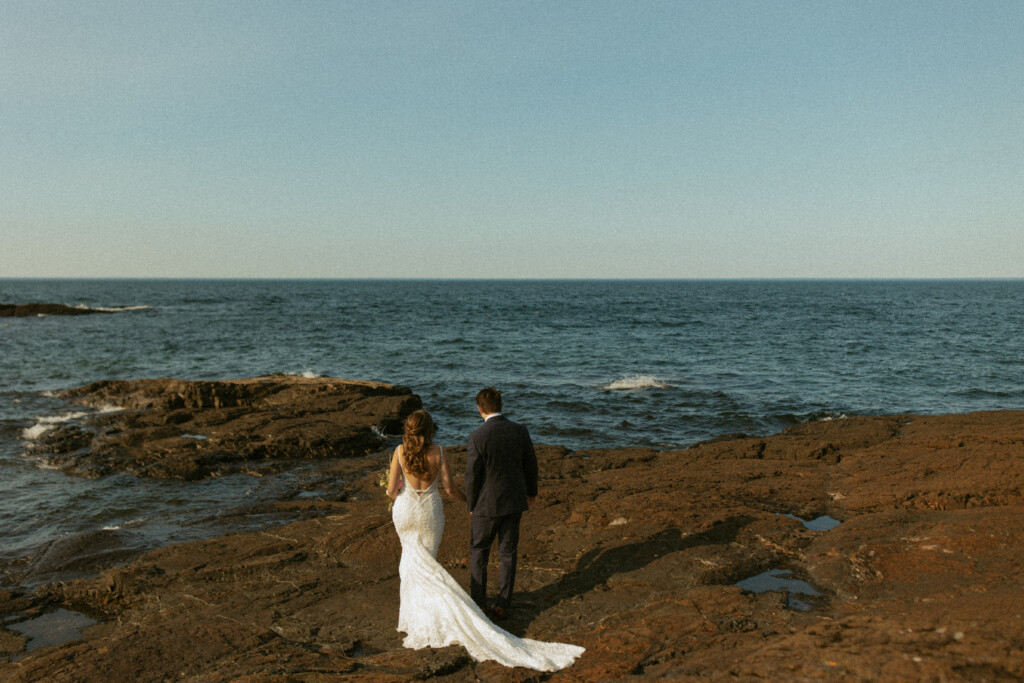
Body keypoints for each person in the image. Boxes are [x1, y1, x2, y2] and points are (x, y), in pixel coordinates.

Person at [388, 409, 583, 671]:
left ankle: (413, 618)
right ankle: (430, 614)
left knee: (410, 562)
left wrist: (399, 492)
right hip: (430, 513)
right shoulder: (440, 452)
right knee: (428, 562)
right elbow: (449, 488)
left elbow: (391, 490)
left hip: (405, 510)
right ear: (429, 429)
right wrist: (470, 501)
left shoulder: (399, 452)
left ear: (408, 430)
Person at [465, 386, 538, 620]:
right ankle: (503, 604)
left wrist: (471, 504)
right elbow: (531, 465)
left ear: (479, 410)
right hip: (515, 500)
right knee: (508, 553)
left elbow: (472, 475)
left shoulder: (477, 437)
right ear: (501, 406)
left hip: (486, 505)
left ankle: (480, 603)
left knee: (479, 552)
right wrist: (531, 492)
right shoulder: (520, 431)